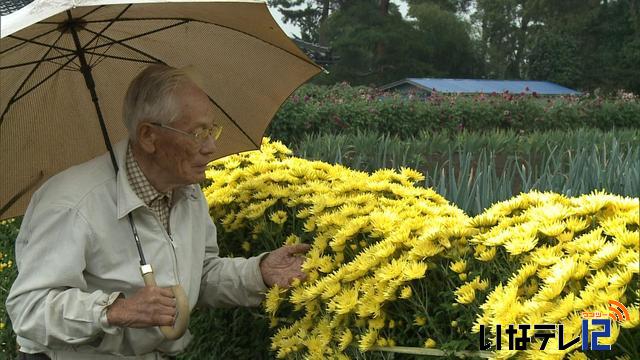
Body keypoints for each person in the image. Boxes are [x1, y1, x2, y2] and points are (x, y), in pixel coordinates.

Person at [6, 64, 310, 359]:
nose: (210, 147)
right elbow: (29, 309)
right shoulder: (72, 203)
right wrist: (114, 311)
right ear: (149, 136)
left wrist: (259, 273)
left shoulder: (185, 191)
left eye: (212, 129)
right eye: (198, 132)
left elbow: (198, 275)